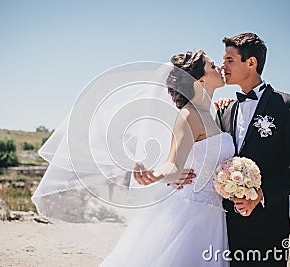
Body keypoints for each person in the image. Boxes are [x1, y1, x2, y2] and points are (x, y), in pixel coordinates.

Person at [181, 33, 290, 266]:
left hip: (269, 229)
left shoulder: (289, 106)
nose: (223, 66)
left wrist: (260, 195)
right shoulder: (225, 111)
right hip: (225, 229)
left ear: (251, 63)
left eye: (230, 59)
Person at [99, 50, 234, 266]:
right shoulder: (189, 115)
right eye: (211, 65)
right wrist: (154, 175)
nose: (218, 66)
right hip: (192, 217)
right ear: (200, 80)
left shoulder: (214, 114)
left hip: (214, 216)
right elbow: (173, 163)